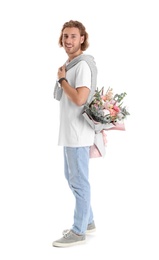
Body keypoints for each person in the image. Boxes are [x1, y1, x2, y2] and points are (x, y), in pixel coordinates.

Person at [52, 20, 98, 247]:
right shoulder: (71, 64)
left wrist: (62, 80)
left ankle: (78, 231)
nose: (68, 40)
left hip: (78, 134)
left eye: (72, 36)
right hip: (71, 134)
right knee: (72, 179)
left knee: (79, 182)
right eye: (65, 36)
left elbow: (80, 98)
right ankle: (87, 221)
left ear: (82, 39)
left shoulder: (81, 66)